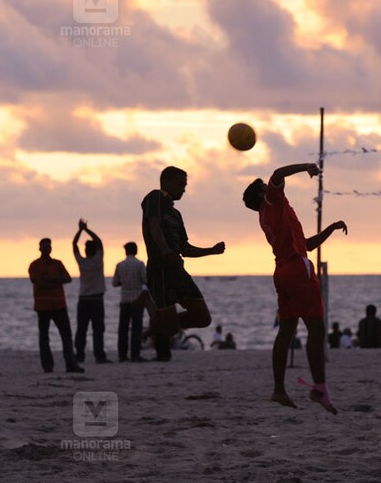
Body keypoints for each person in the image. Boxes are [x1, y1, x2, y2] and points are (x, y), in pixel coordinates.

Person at [242, 163, 347, 414]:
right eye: (264, 187)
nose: (270, 187)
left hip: (282, 272)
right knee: (316, 327)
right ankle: (319, 389)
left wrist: (329, 230)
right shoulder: (272, 203)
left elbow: (307, 245)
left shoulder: (268, 216)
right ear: (261, 195)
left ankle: (279, 390)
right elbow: (277, 174)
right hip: (297, 270)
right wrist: (308, 166)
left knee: (287, 331)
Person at [138, 167, 224, 362]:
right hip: (159, 271)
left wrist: (211, 250)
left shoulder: (176, 215)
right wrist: (164, 249)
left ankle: (155, 322)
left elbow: (185, 248)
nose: (184, 190)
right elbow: (153, 225)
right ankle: (153, 309)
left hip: (178, 271)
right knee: (170, 330)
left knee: (203, 319)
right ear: (166, 182)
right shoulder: (155, 197)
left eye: (185, 186)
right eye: (180, 185)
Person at [29, 238, 83, 373]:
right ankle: (48, 366)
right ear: (40, 248)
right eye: (44, 247)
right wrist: (55, 280)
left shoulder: (58, 264)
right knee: (44, 337)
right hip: (43, 306)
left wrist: (52, 279)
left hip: (59, 305)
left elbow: (68, 278)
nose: (47, 249)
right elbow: (37, 282)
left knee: (66, 335)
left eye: (49, 247)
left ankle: (70, 363)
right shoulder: (35, 265)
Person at [73, 220, 110, 364]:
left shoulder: (82, 262)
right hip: (96, 299)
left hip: (83, 299)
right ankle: (99, 356)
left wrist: (80, 231)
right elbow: (99, 241)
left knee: (81, 329)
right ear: (95, 250)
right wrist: (86, 230)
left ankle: (80, 355)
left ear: (86, 251)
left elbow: (74, 245)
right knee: (98, 329)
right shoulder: (98, 260)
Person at [112, 242, 147, 362]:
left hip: (124, 299)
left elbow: (115, 283)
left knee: (123, 328)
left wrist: (124, 283)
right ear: (136, 251)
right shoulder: (140, 264)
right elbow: (145, 280)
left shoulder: (120, 265)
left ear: (126, 251)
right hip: (137, 299)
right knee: (136, 328)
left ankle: (122, 355)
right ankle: (135, 354)